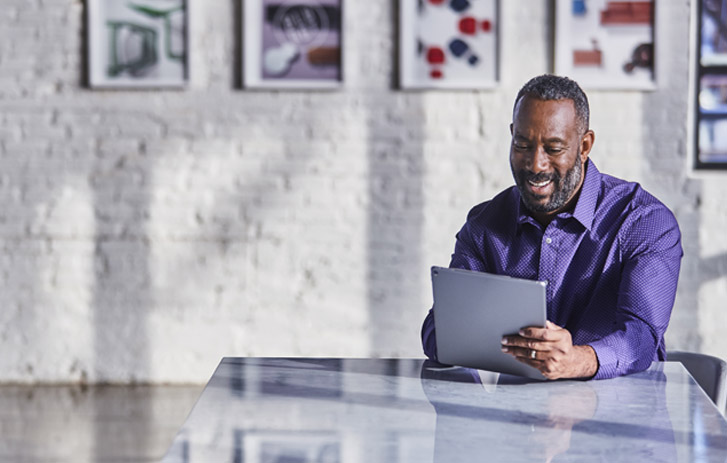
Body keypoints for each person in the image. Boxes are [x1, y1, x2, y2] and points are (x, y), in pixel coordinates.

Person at [421, 74, 683, 380]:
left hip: (623, 412)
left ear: (584, 146)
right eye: (522, 144)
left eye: (554, 148)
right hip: (515, 416)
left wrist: (579, 360)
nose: (536, 165)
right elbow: (439, 331)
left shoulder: (644, 222)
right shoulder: (484, 226)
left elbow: (641, 337)